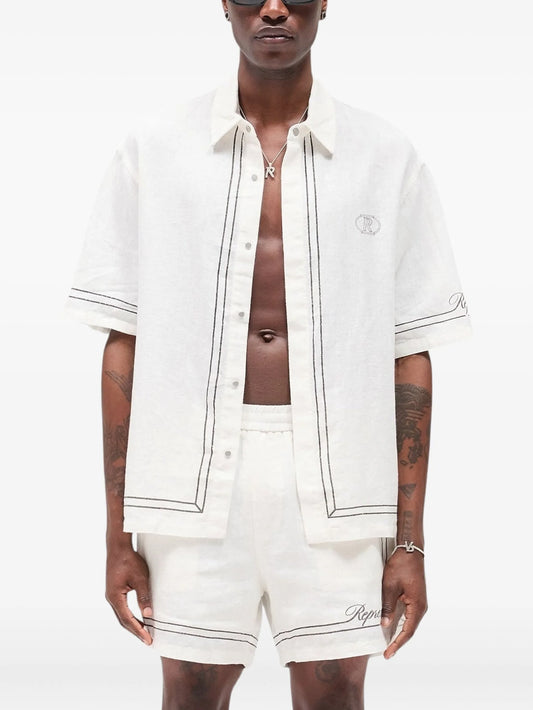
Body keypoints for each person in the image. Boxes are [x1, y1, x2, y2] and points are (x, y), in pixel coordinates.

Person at [65, 1, 472, 707]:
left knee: (334, 693)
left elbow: (409, 351)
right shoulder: (155, 148)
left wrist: (409, 543)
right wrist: (117, 535)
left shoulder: (384, 155)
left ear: (326, 3)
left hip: (341, 484)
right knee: (191, 692)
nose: (275, 8)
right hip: (187, 481)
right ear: (224, 4)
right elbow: (123, 342)